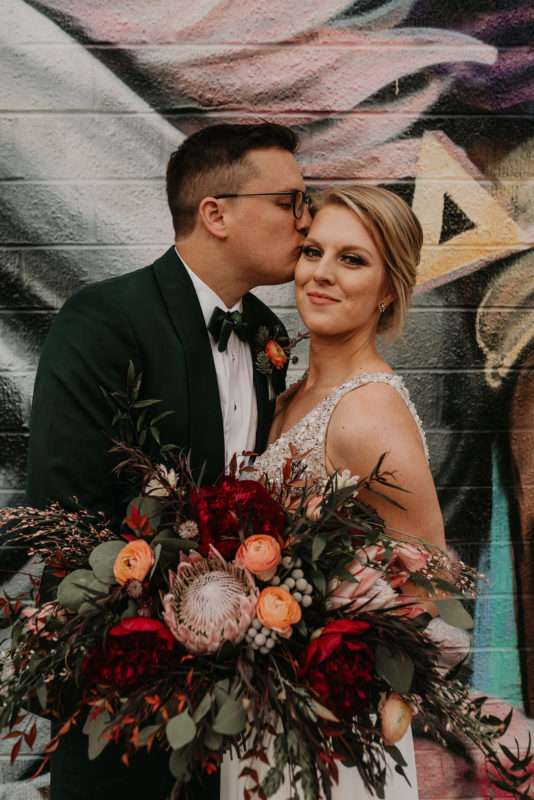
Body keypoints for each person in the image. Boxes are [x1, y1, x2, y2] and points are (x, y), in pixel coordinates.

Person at [26, 121, 311, 800]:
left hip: (244, 705)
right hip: (131, 700)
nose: (307, 220)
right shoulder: (104, 320)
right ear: (215, 213)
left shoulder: (269, 337)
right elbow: (66, 515)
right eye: (289, 202)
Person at [221, 184, 447, 799]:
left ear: (390, 288)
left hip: (330, 733)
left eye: (352, 260)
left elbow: (434, 580)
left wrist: (332, 662)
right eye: (313, 251)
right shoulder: (292, 393)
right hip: (265, 708)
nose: (321, 274)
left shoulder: (366, 413)